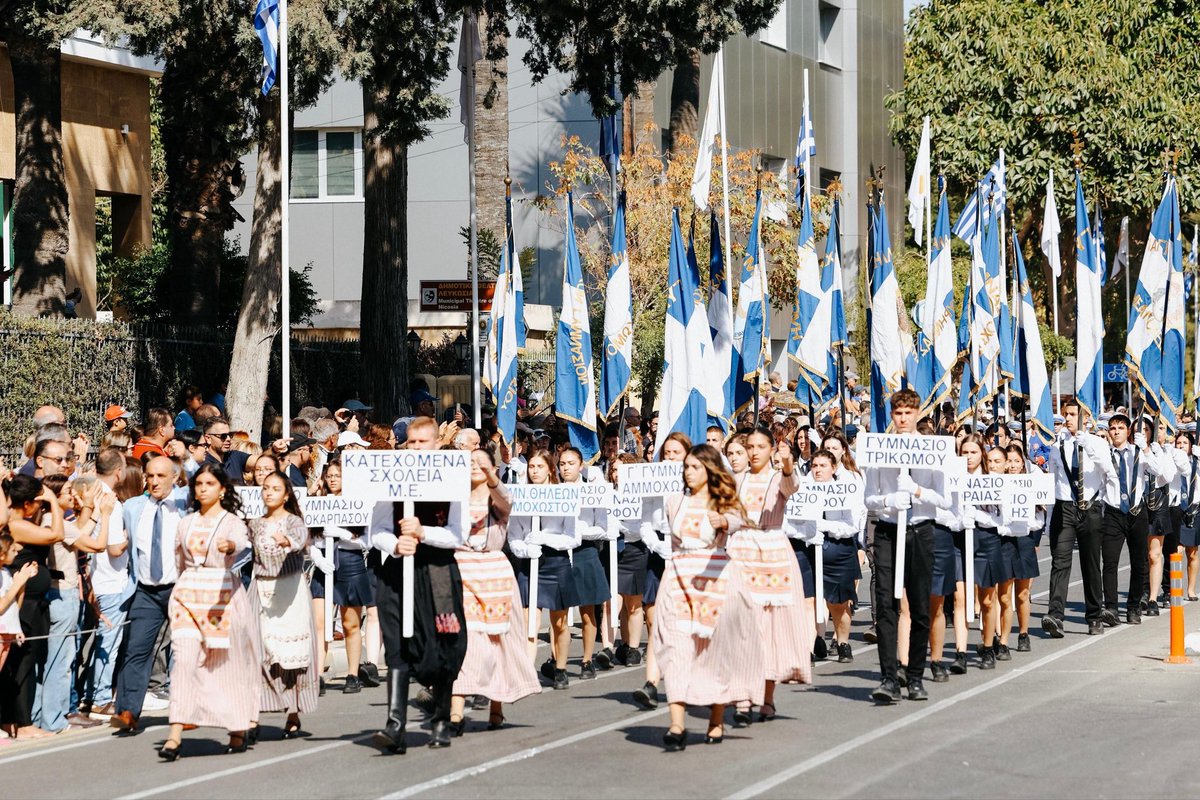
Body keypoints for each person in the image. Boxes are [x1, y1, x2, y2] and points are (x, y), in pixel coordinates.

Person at [369, 416, 468, 754]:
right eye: (410, 442)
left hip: (437, 572)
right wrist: (396, 544)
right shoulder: (391, 476)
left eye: (422, 442)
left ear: (437, 444)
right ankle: (395, 725)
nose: (415, 448)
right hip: (398, 571)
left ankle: (441, 719)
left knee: (442, 646)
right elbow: (377, 529)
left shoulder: (452, 479)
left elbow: (459, 533)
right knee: (396, 646)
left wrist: (423, 532)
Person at [655, 444, 761, 750]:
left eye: (695, 467)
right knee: (675, 648)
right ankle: (677, 724)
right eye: (686, 467)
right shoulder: (675, 500)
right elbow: (673, 539)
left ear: (710, 470)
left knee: (713, 651)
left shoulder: (722, 502)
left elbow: (743, 520)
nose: (688, 473)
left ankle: (716, 718)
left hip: (714, 578)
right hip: (679, 578)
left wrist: (725, 522)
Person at [156, 464, 259, 760]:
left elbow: (241, 542)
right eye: (198, 483)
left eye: (209, 483)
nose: (202, 488)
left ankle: (237, 729)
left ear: (222, 489)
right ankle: (174, 735)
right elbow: (179, 561)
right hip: (188, 596)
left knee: (227, 664)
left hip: (222, 597)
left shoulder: (232, 522)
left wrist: (230, 547)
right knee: (184, 661)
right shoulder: (185, 523)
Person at [864, 388, 951, 703]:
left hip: (920, 531)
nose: (902, 418)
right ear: (892, 415)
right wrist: (889, 499)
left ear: (917, 414)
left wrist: (916, 491)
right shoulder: (879, 449)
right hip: (888, 531)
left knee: (919, 605)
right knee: (886, 604)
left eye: (907, 413)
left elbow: (943, 498)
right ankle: (889, 677)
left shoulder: (932, 450)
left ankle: (915, 676)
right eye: (897, 413)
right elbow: (869, 497)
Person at [449, 449, 539, 733]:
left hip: (495, 575)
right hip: (463, 571)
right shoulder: (453, 498)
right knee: (466, 640)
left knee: (499, 641)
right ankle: (455, 709)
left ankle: (496, 708)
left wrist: (491, 478)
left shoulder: (496, 499)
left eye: (482, 462)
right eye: (470, 462)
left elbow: (506, 500)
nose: (475, 466)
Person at [733, 428, 813, 723]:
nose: (754, 452)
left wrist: (788, 463)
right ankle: (742, 698)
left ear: (771, 449)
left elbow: (791, 486)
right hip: (741, 551)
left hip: (772, 553)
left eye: (760, 446)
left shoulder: (777, 477)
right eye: (750, 446)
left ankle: (766, 698)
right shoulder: (737, 479)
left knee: (769, 631)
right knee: (742, 629)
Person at [109, 456, 190, 734]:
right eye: (150, 476)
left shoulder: (185, 504)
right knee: (136, 649)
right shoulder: (133, 507)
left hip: (180, 587)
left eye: (160, 476)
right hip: (145, 590)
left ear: (174, 478)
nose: (154, 481)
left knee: (183, 650)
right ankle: (128, 711)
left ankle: (185, 709)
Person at [38, 474, 113, 732]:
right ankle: (54, 719)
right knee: (61, 660)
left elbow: (78, 534)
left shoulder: (47, 521)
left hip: (57, 592)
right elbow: (97, 545)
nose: (73, 495)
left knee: (51, 658)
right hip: (64, 592)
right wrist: (104, 514)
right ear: (55, 497)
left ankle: (44, 717)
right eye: (68, 491)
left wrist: (90, 510)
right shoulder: (56, 523)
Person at [249, 471, 318, 742]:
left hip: (290, 592)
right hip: (261, 590)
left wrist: (287, 541)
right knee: (257, 651)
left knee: (290, 655)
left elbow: (301, 538)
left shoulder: (294, 521)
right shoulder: (254, 524)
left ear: (286, 494)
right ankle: (252, 714)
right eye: (265, 488)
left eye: (275, 488)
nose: (269, 492)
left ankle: (292, 711)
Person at [508, 450, 580, 690]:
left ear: (550, 469)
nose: (534, 471)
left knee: (559, 623)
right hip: (531, 563)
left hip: (556, 562)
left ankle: (560, 668)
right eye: (531, 466)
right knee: (529, 622)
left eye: (539, 466)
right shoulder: (520, 496)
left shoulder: (564, 495)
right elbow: (514, 535)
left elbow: (573, 537)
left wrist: (546, 539)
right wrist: (525, 550)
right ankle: (528, 672)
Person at [1044, 398, 1115, 637]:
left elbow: (1108, 469)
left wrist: (1088, 445)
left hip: (1090, 507)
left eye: (1072, 414)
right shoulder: (1057, 445)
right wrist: (1048, 519)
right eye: (1066, 414)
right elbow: (1052, 481)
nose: (1067, 419)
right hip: (1065, 507)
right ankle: (1055, 615)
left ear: (1085, 417)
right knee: (1060, 561)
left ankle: (1094, 617)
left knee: (1091, 564)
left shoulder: (1096, 442)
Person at [0, 476, 64, 738]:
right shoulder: (16, 524)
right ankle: (22, 723)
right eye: (38, 503)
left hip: (35, 601)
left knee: (28, 659)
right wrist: (53, 501)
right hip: (23, 602)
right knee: (22, 662)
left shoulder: (23, 522)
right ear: (27, 503)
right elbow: (56, 534)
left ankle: (17, 721)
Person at [632, 432, 691, 710]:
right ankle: (651, 683)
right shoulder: (653, 482)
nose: (670, 457)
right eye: (666, 452)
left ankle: (686, 676)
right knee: (655, 620)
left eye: (676, 453)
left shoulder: (695, 486)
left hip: (686, 558)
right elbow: (644, 522)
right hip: (659, 556)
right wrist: (657, 546)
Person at [83, 448, 133, 718]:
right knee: (108, 643)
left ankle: (90, 694)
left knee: (97, 641)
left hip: (95, 580)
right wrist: (131, 535)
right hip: (110, 580)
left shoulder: (90, 491)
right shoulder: (110, 501)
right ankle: (101, 697)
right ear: (118, 472)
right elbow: (114, 548)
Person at [558, 447, 613, 680]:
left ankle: (587, 659)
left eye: (570, 463)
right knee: (558, 614)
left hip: (584, 552)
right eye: (562, 463)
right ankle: (557, 659)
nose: (566, 467)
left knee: (587, 612)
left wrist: (582, 532)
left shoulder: (593, 492)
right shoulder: (555, 491)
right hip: (560, 553)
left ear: (581, 465)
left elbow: (602, 527)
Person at [807, 449, 864, 664]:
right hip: (811, 548)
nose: (818, 470)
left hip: (839, 549)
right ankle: (812, 643)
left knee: (839, 603)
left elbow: (851, 525)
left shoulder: (845, 491)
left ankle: (842, 643)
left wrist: (823, 526)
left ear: (833, 468)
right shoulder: (804, 489)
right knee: (810, 601)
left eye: (823, 466)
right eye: (815, 466)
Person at [1100, 414, 1153, 627]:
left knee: (1139, 562)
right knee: (1110, 562)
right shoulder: (1104, 455)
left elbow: (1161, 473)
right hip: (1113, 512)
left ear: (1128, 431)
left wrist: (1147, 448)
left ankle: (1133, 607)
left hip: (1136, 511)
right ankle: (1111, 608)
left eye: (1121, 427)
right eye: (1112, 428)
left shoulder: (1138, 452)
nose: (1116, 431)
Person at [1003, 443, 1044, 651]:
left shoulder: (1031, 484)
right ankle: (1001, 637)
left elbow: (1039, 519)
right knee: (1003, 593)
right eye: (1008, 461)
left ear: (1022, 464)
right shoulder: (997, 485)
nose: (1012, 466)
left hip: (1024, 540)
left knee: (1022, 593)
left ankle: (1023, 633)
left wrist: (1026, 521)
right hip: (1004, 540)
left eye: (1016, 461)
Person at [1177, 432, 1200, 602]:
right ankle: (1174, 589)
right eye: (1178, 442)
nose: (1181, 445)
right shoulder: (1173, 461)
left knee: (1192, 553)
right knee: (1176, 551)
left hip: (1194, 508)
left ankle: (1191, 589)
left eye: (1185, 442)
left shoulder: (1197, 462)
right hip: (1178, 508)